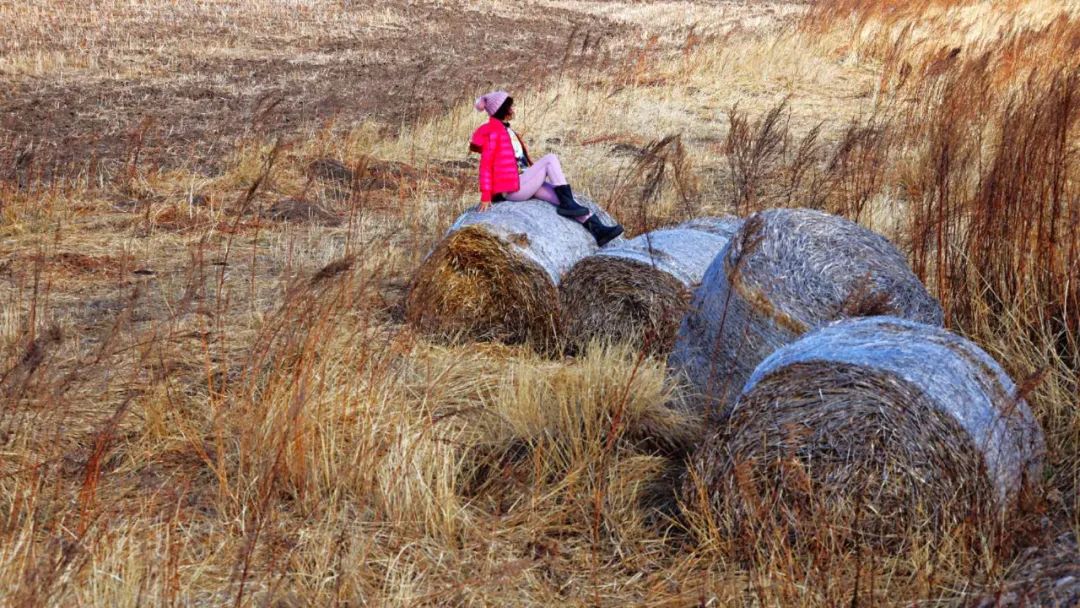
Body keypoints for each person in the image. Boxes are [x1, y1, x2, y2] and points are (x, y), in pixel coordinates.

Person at [469, 91, 624, 247]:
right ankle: (568, 204)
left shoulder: (507, 130)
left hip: (522, 182)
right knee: (550, 160)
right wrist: (485, 196)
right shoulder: (492, 131)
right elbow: (486, 165)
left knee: (563, 199)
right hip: (512, 188)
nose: (513, 109)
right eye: (510, 106)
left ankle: (599, 231)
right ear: (503, 109)